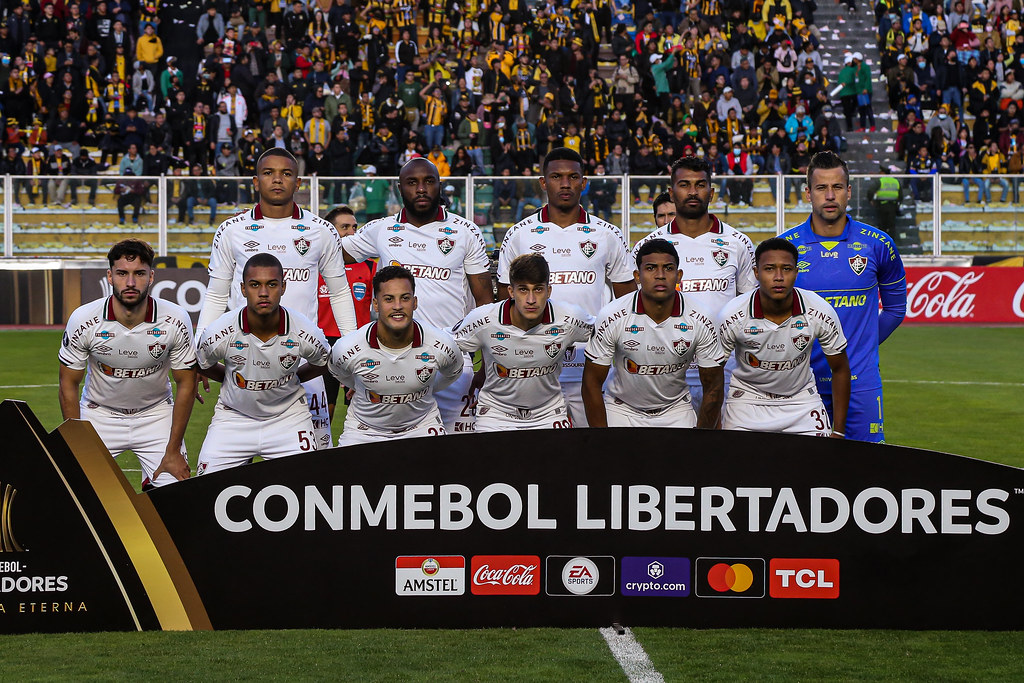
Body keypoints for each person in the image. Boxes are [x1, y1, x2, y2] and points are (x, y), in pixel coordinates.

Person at [196, 148, 357, 450]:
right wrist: (199, 353)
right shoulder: (232, 230)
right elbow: (216, 294)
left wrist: (352, 350)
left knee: (313, 469)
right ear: (255, 181)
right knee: (227, 469)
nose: (277, 180)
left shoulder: (320, 231)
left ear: (298, 183)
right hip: (245, 364)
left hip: (304, 366)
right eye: (269, 173)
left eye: (286, 173)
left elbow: (339, 292)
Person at [339, 157, 493, 434]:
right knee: (395, 450)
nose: (421, 189)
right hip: (394, 360)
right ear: (400, 189)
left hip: (452, 356)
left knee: (458, 453)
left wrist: (488, 364)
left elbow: (485, 303)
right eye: (412, 183)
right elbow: (330, 253)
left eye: (428, 181)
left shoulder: (465, 231)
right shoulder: (382, 229)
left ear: (439, 185)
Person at [497, 147, 635, 427]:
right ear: (543, 182)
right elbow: (504, 303)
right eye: (557, 176)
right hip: (534, 361)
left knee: (593, 449)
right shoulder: (519, 234)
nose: (565, 183)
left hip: (592, 362)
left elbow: (628, 301)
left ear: (584, 183)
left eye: (573, 177)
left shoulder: (606, 234)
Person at [779, 151, 907, 442]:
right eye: (821, 188)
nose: (830, 195)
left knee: (867, 471)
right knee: (803, 474)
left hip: (860, 382)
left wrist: (863, 347)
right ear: (808, 193)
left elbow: (896, 309)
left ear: (848, 192)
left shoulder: (878, 244)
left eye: (837, 187)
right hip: (800, 383)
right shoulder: (785, 248)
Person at [58, 239, 197, 489]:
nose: (130, 283)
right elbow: (68, 383)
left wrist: (173, 449)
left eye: (139, 274)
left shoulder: (176, 319)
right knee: (75, 492)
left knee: (179, 496)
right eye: (122, 273)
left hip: (156, 414)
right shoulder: (83, 319)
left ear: (151, 276)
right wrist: (76, 442)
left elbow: (186, 384)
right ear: (110, 276)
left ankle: (153, 481)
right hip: (99, 414)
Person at [631, 155, 757, 415]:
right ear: (671, 191)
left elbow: (748, 309)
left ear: (711, 192)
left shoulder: (738, 242)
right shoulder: (648, 247)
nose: (692, 192)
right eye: (684, 184)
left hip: (726, 371)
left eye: (700, 185)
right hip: (665, 372)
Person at [196, 253, 331, 474]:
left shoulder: (305, 331)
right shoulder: (219, 332)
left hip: (288, 418)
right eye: (255, 285)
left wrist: (296, 377)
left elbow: (324, 362)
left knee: (306, 486)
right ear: (242, 289)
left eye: (272, 284)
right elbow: (202, 363)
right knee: (204, 489)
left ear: (283, 287)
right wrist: (232, 379)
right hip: (233, 417)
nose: (263, 293)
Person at [582, 239, 726, 428]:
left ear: (679, 275)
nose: (660, 275)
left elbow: (713, 387)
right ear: (637, 276)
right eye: (650, 268)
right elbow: (591, 382)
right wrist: (601, 438)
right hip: (622, 409)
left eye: (668, 268)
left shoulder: (703, 317)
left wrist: (700, 439)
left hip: (675, 410)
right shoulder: (611, 315)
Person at [717, 238, 851, 437]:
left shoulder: (819, 310)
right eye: (769, 269)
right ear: (756, 273)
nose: (778, 277)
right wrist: (715, 424)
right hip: (747, 401)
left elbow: (840, 369)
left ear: (796, 272)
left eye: (786, 269)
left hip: (802, 401)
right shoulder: (732, 314)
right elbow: (713, 372)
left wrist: (838, 431)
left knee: (819, 466)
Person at [451, 254, 594, 432]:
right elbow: (443, 344)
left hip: (549, 413)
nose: (531, 300)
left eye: (538, 290)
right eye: (523, 290)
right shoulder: (483, 319)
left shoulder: (569, 317)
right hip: (496, 415)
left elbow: (609, 332)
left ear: (549, 291)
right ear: (511, 292)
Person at [329, 266, 463, 445]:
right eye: (389, 299)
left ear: (414, 302)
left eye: (405, 298)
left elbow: (452, 373)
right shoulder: (347, 347)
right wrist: (361, 384)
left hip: (422, 426)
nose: (398, 306)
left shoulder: (442, 344)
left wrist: (426, 386)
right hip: (363, 430)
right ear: (376, 304)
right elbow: (339, 373)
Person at [317, 205, 377, 422]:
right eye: (345, 227)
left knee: (362, 410)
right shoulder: (316, 266)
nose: (352, 232)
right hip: (323, 346)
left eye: (354, 227)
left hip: (358, 343)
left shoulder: (370, 266)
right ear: (331, 231)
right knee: (323, 411)